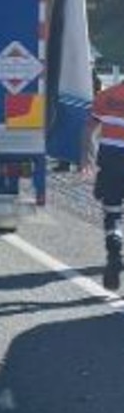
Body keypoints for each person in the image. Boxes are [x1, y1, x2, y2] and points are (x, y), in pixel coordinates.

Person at [89, 79, 124, 289]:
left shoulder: (106, 96)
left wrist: (87, 157)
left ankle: (115, 245)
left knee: (112, 211)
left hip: (110, 161)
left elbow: (89, 128)